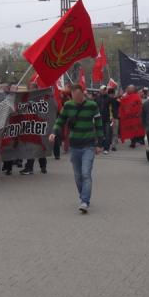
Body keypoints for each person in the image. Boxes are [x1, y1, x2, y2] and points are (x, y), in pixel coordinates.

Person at [49, 84, 103, 214]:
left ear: (83, 94)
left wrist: (100, 143)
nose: (76, 99)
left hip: (88, 144)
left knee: (86, 173)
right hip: (75, 145)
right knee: (78, 176)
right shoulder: (68, 105)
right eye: (74, 96)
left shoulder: (92, 105)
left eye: (78, 96)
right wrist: (54, 132)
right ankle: (82, 196)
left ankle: (85, 201)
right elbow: (60, 121)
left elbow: (99, 124)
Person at [21, 81, 48, 175]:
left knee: (34, 146)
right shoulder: (27, 99)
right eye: (29, 88)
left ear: (36, 89)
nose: (29, 90)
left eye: (31, 88)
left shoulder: (40, 99)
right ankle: (40, 166)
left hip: (37, 125)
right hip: (30, 125)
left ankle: (34, 167)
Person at [96, 85, 113, 154]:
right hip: (99, 119)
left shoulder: (109, 98)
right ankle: (100, 146)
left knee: (107, 134)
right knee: (100, 134)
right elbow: (95, 108)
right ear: (100, 90)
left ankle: (106, 148)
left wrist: (113, 117)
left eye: (105, 89)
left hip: (107, 119)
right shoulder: (97, 98)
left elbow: (112, 108)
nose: (104, 90)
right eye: (103, 89)